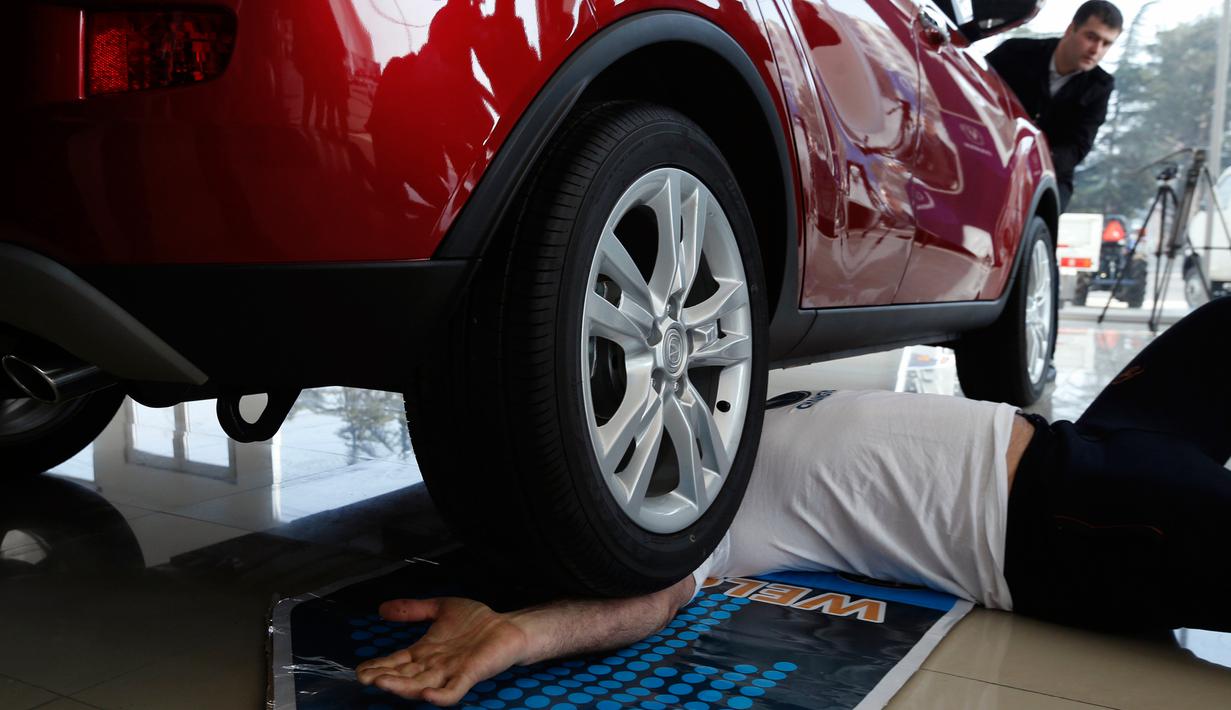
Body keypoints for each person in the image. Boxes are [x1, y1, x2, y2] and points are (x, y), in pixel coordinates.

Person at [356, 297, 1231, 705]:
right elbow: (650, 602)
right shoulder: (687, 520)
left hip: (1088, 440)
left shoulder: (720, 419)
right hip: (1063, 521)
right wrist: (521, 633)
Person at [988, 1, 1122, 212]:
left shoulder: (1101, 87)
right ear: (1071, 29)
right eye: (1091, 37)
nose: (1096, 50)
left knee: (1041, 216)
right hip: (991, 150)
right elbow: (972, 90)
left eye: (1106, 44)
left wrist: (1032, 164)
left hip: (1051, 174)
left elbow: (1078, 146)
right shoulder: (1015, 52)